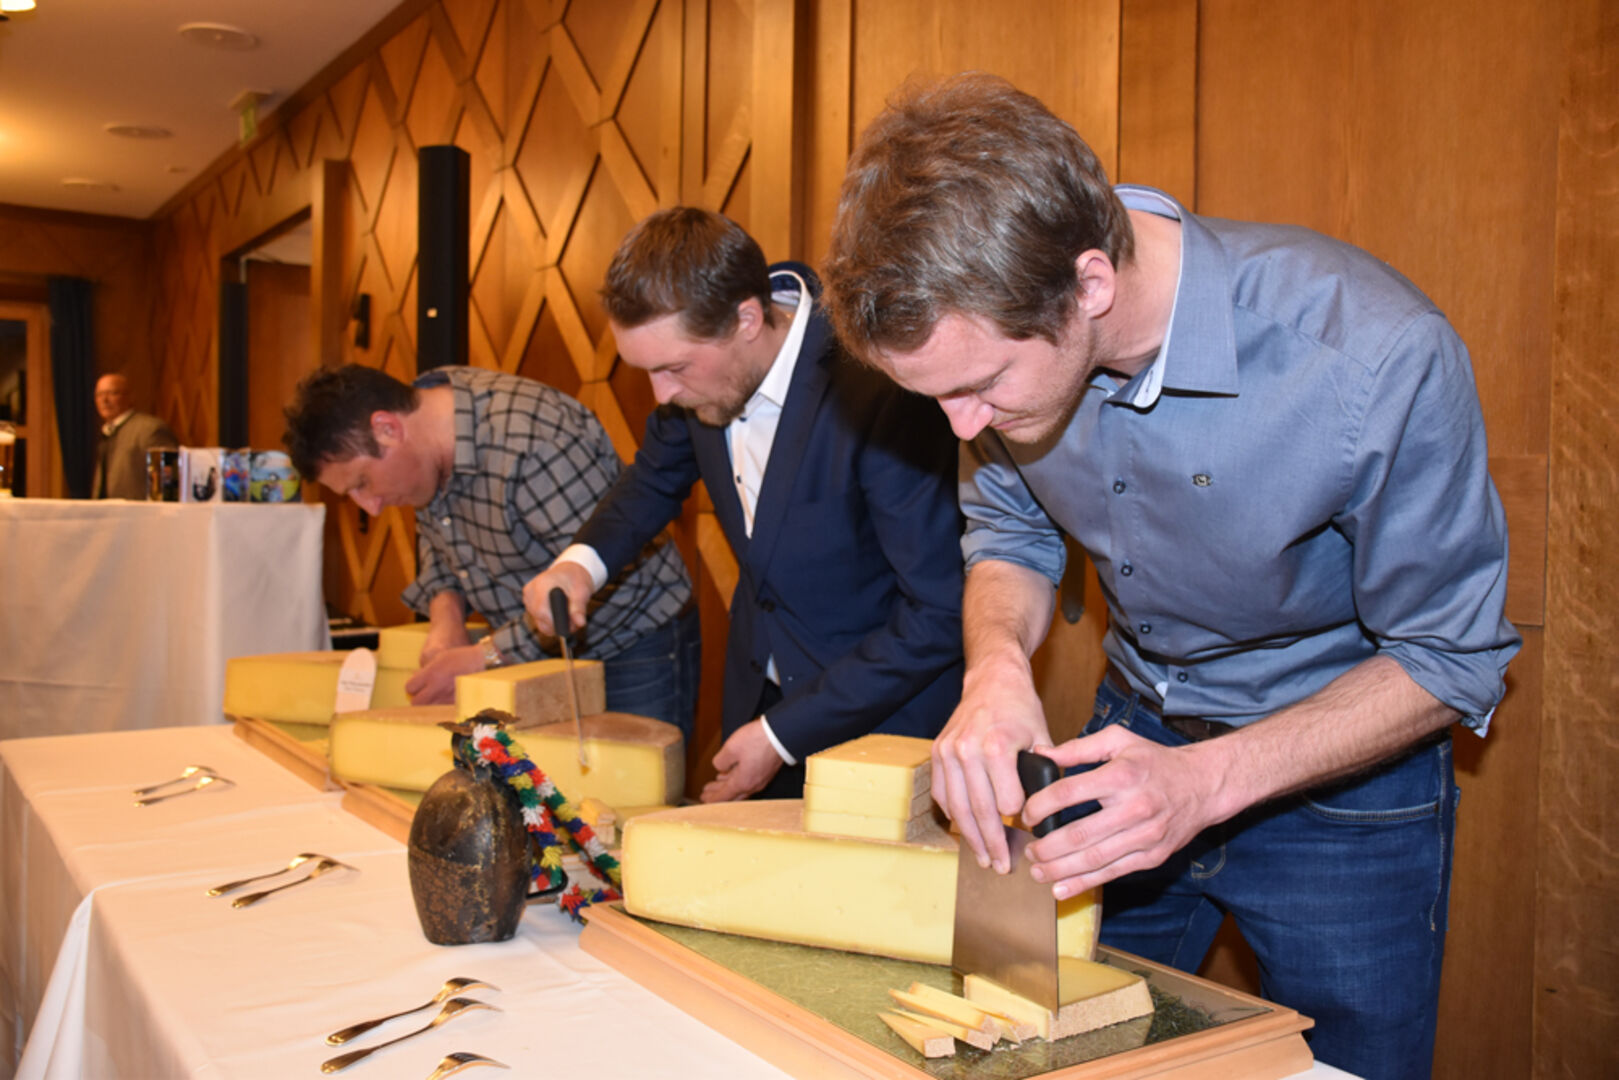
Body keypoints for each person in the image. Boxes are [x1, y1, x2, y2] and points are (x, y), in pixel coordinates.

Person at [822, 74, 1519, 1078]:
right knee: (1038, 1045)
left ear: (1089, 287)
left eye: (980, 387)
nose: (961, 426)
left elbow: (1450, 659)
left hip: (1343, 792)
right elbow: (1009, 533)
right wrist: (995, 671)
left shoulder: (1371, 355)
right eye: (938, 397)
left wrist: (1204, 782)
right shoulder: (999, 346)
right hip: (1125, 736)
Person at [521, 208, 964, 802]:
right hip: (761, 704)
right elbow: (652, 480)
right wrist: (579, 566)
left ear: (747, 319)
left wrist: (782, 735)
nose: (662, 394)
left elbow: (939, 612)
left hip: (885, 734)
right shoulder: (700, 384)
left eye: (673, 367)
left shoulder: (875, 383)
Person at [283, 364, 699, 736]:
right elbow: (441, 535)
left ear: (387, 428)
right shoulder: (425, 438)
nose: (371, 507)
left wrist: (486, 655)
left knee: (623, 792)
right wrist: (446, 616)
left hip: (633, 644)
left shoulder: (532, 442)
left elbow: (602, 580)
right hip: (537, 652)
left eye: (362, 483)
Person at [92, 373, 176, 499]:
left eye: (112, 393)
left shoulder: (150, 429)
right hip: (106, 509)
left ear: (130, 397)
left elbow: (167, 480)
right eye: (99, 395)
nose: (105, 400)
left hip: (137, 509)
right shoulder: (106, 432)